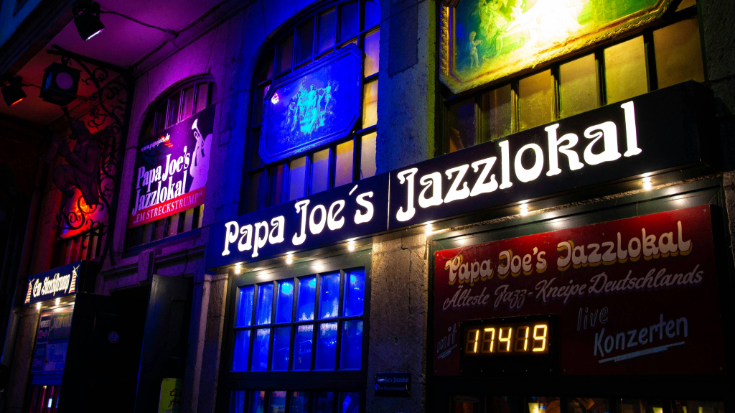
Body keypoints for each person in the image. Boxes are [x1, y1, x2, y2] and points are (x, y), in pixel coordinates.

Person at [46, 116, 101, 206]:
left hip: (86, 179)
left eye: (77, 133)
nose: (76, 136)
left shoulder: (91, 149)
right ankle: (66, 191)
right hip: (78, 174)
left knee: (60, 171)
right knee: (58, 171)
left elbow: (89, 169)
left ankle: (72, 192)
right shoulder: (79, 145)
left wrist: (69, 155)